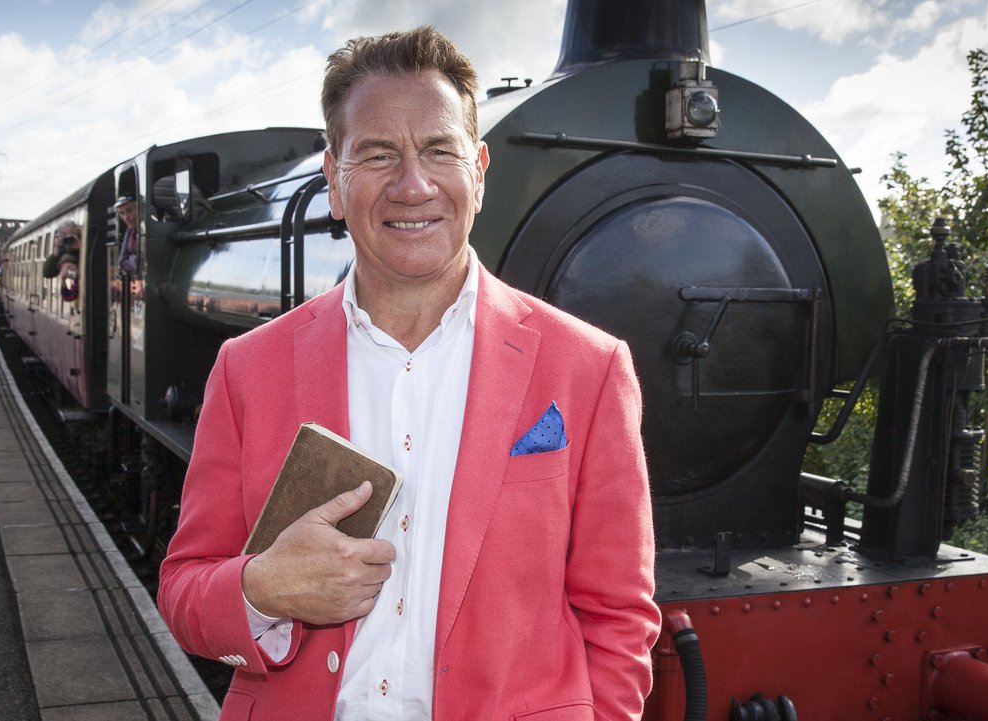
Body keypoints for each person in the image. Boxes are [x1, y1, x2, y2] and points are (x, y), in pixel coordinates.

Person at [158, 26, 660, 721]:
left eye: (438, 150)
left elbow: (619, 617)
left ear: (478, 172)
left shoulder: (590, 367)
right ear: (334, 181)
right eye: (377, 154)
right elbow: (184, 592)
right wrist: (261, 588)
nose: (412, 184)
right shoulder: (247, 369)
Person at [114, 193, 140, 275]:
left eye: (129, 210)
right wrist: (134, 260)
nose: (126, 217)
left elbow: (143, 262)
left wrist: (131, 258)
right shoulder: (129, 231)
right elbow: (121, 261)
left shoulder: (149, 229)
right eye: (122, 213)